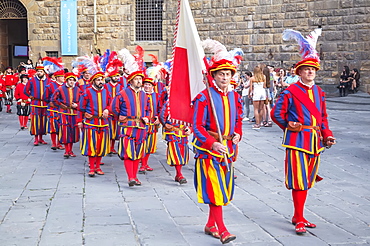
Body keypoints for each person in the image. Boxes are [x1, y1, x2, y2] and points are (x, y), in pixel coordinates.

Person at [272, 28, 336, 235]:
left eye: (313, 70)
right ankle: (299, 218)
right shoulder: (290, 91)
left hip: (315, 141)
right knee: (299, 180)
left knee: (307, 180)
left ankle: (298, 215)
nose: (310, 72)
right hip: (297, 141)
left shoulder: (319, 92)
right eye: (306, 69)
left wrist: (327, 134)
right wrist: (290, 127)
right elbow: (276, 114)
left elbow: (323, 118)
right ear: (299, 72)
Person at [192, 59, 243, 244]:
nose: (224, 77)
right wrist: (212, 143)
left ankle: (210, 225)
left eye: (228, 74)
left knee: (225, 189)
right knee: (216, 190)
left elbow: (238, 120)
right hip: (209, 152)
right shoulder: (204, 97)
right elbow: (197, 127)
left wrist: (238, 134)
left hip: (228, 150)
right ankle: (222, 229)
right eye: (221, 74)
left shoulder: (235, 96)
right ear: (213, 76)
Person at [111, 70, 150, 186]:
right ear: (131, 81)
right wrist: (120, 117)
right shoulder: (122, 93)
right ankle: (130, 177)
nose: (139, 81)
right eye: (136, 79)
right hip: (127, 127)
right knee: (128, 151)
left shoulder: (144, 95)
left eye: (140, 79)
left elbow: (148, 109)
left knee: (138, 152)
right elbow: (114, 107)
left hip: (141, 127)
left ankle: (135, 176)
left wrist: (147, 117)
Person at [78, 71, 111, 177]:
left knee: (101, 145)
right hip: (91, 122)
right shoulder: (87, 92)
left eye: (101, 79)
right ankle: (92, 168)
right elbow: (80, 108)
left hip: (103, 123)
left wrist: (107, 109)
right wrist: (80, 121)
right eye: (98, 80)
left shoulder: (106, 92)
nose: (100, 81)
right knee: (91, 145)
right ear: (93, 81)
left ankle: (98, 167)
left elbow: (111, 104)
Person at [159, 100, 191, 184]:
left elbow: (193, 117)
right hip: (173, 132)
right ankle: (179, 174)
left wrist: (190, 129)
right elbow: (162, 116)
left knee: (182, 153)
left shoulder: (189, 103)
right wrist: (165, 124)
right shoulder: (168, 103)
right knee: (175, 152)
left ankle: (178, 174)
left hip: (183, 133)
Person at [52, 72, 81, 158]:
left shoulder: (78, 90)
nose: (72, 82)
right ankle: (66, 150)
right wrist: (61, 105)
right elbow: (53, 99)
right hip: (64, 113)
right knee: (65, 131)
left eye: (73, 80)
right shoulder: (60, 89)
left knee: (73, 131)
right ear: (66, 80)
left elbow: (82, 101)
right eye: (70, 80)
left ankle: (70, 150)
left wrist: (77, 105)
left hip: (74, 113)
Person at [24, 64, 51, 146]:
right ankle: (36, 139)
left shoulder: (48, 81)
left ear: (44, 72)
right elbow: (25, 90)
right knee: (35, 121)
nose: (39, 73)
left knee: (43, 121)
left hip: (45, 104)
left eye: (41, 71)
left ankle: (41, 138)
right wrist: (30, 96)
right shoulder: (32, 80)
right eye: (38, 71)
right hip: (35, 104)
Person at [139, 77, 161, 173]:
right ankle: (141, 163)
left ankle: (145, 163)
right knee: (142, 143)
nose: (147, 86)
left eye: (149, 85)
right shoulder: (140, 95)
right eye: (146, 84)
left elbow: (160, 108)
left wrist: (159, 118)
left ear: (153, 86)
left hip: (153, 124)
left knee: (150, 145)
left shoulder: (157, 96)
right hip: (142, 123)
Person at [43, 70, 65, 150]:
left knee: (61, 126)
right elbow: (45, 97)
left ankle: (59, 143)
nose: (63, 78)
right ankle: (54, 143)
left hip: (62, 109)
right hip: (53, 109)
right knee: (53, 126)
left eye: (63, 76)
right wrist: (49, 102)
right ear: (57, 78)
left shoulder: (65, 86)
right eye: (62, 76)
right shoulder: (50, 86)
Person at [104, 70, 124, 154]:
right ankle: (107, 147)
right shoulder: (105, 86)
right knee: (108, 130)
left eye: (118, 76)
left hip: (117, 112)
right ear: (111, 77)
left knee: (115, 131)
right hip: (107, 111)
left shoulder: (121, 87)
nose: (116, 78)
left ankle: (112, 147)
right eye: (115, 76)